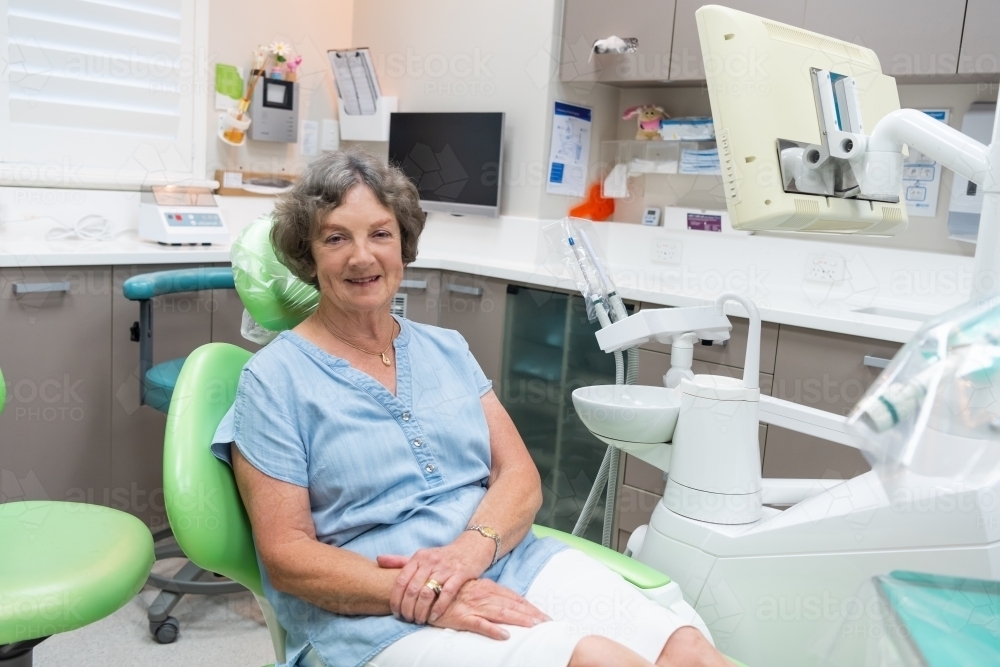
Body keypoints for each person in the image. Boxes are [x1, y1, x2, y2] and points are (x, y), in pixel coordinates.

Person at [211, 148, 731, 667]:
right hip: (375, 612)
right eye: (336, 237)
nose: (362, 256)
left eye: (380, 233)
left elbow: (519, 476)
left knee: (685, 648)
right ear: (308, 254)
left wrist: (470, 552)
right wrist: (428, 592)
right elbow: (288, 556)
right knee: (594, 659)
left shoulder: (446, 348)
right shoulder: (274, 380)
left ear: (403, 244)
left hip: (504, 560)